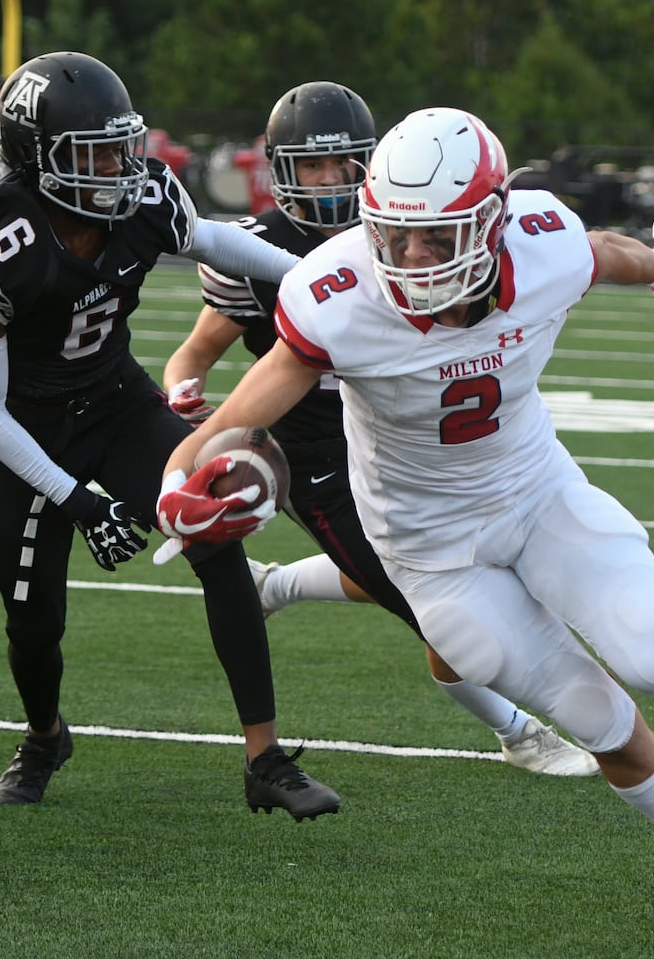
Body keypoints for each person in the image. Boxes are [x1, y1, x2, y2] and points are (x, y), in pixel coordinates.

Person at [157, 108, 654, 955]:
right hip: (431, 551)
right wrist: (180, 478)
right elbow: (245, 411)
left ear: (492, 224)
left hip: (535, 493)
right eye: (395, 236)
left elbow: (608, 252)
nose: (410, 260)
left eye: (437, 239)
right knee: (603, 725)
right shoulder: (339, 294)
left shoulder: (543, 243)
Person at [162, 81, 597, 777]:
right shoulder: (257, 251)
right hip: (323, 455)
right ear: (281, 169)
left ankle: (275, 587)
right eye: (313, 166)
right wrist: (184, 391)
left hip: (410, 437)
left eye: (345, 165)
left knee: (458, 568)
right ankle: (519, 732)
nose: (332, 182)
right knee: (437, 605)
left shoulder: (411, 228)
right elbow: (197, 350)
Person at [0, 51, 339, 819]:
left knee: (218, 542)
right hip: (32, 430)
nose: (117, 166)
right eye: (91, 153)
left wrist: (310, 276)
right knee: (33, 620)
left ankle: (266, 759)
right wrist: (76, 501)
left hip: (118, 401)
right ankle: (42, 736)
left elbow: (213, 241)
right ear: (37, 159)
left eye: (120, 144)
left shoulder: (143, 193)